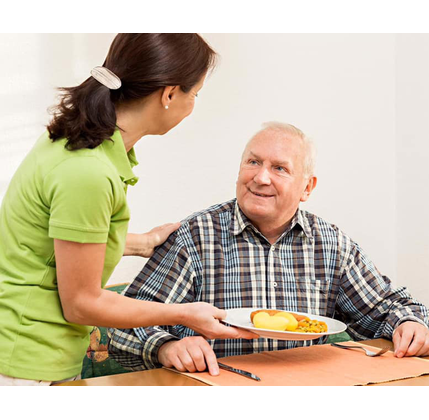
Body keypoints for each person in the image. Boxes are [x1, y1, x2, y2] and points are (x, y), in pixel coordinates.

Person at [0, 33, 255, 387]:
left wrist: (142, 242)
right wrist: (185, 315)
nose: (192, 104)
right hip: (23, 360)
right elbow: (82, 303)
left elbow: (57, 240)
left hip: (32, 354)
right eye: (193, 94)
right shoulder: (88, 172)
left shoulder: (78, 140)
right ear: (169, 94)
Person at [108, 122, 429, 377]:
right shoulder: (195, 236)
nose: (261, 177)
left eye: (279, 168)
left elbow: (389, 308)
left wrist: (409, 324)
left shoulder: (330, 243)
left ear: (307, 187)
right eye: (253, 162)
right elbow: (123, 325)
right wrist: (167, 347)